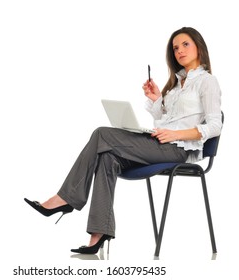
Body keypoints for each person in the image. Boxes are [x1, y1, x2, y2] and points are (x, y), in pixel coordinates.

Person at [24, 27, 222, 254]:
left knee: (102, 134)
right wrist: (157, 99)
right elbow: (167, 120)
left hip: (177, 150)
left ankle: (65, 198)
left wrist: (176, 135)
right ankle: (99, 233)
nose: (179, 51)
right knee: (107, 156)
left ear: (199, 46)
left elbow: (215, 126)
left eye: (185, 44)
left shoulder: (208, 82)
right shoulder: (177, 85)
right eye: (175, 47)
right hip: (160, 143)